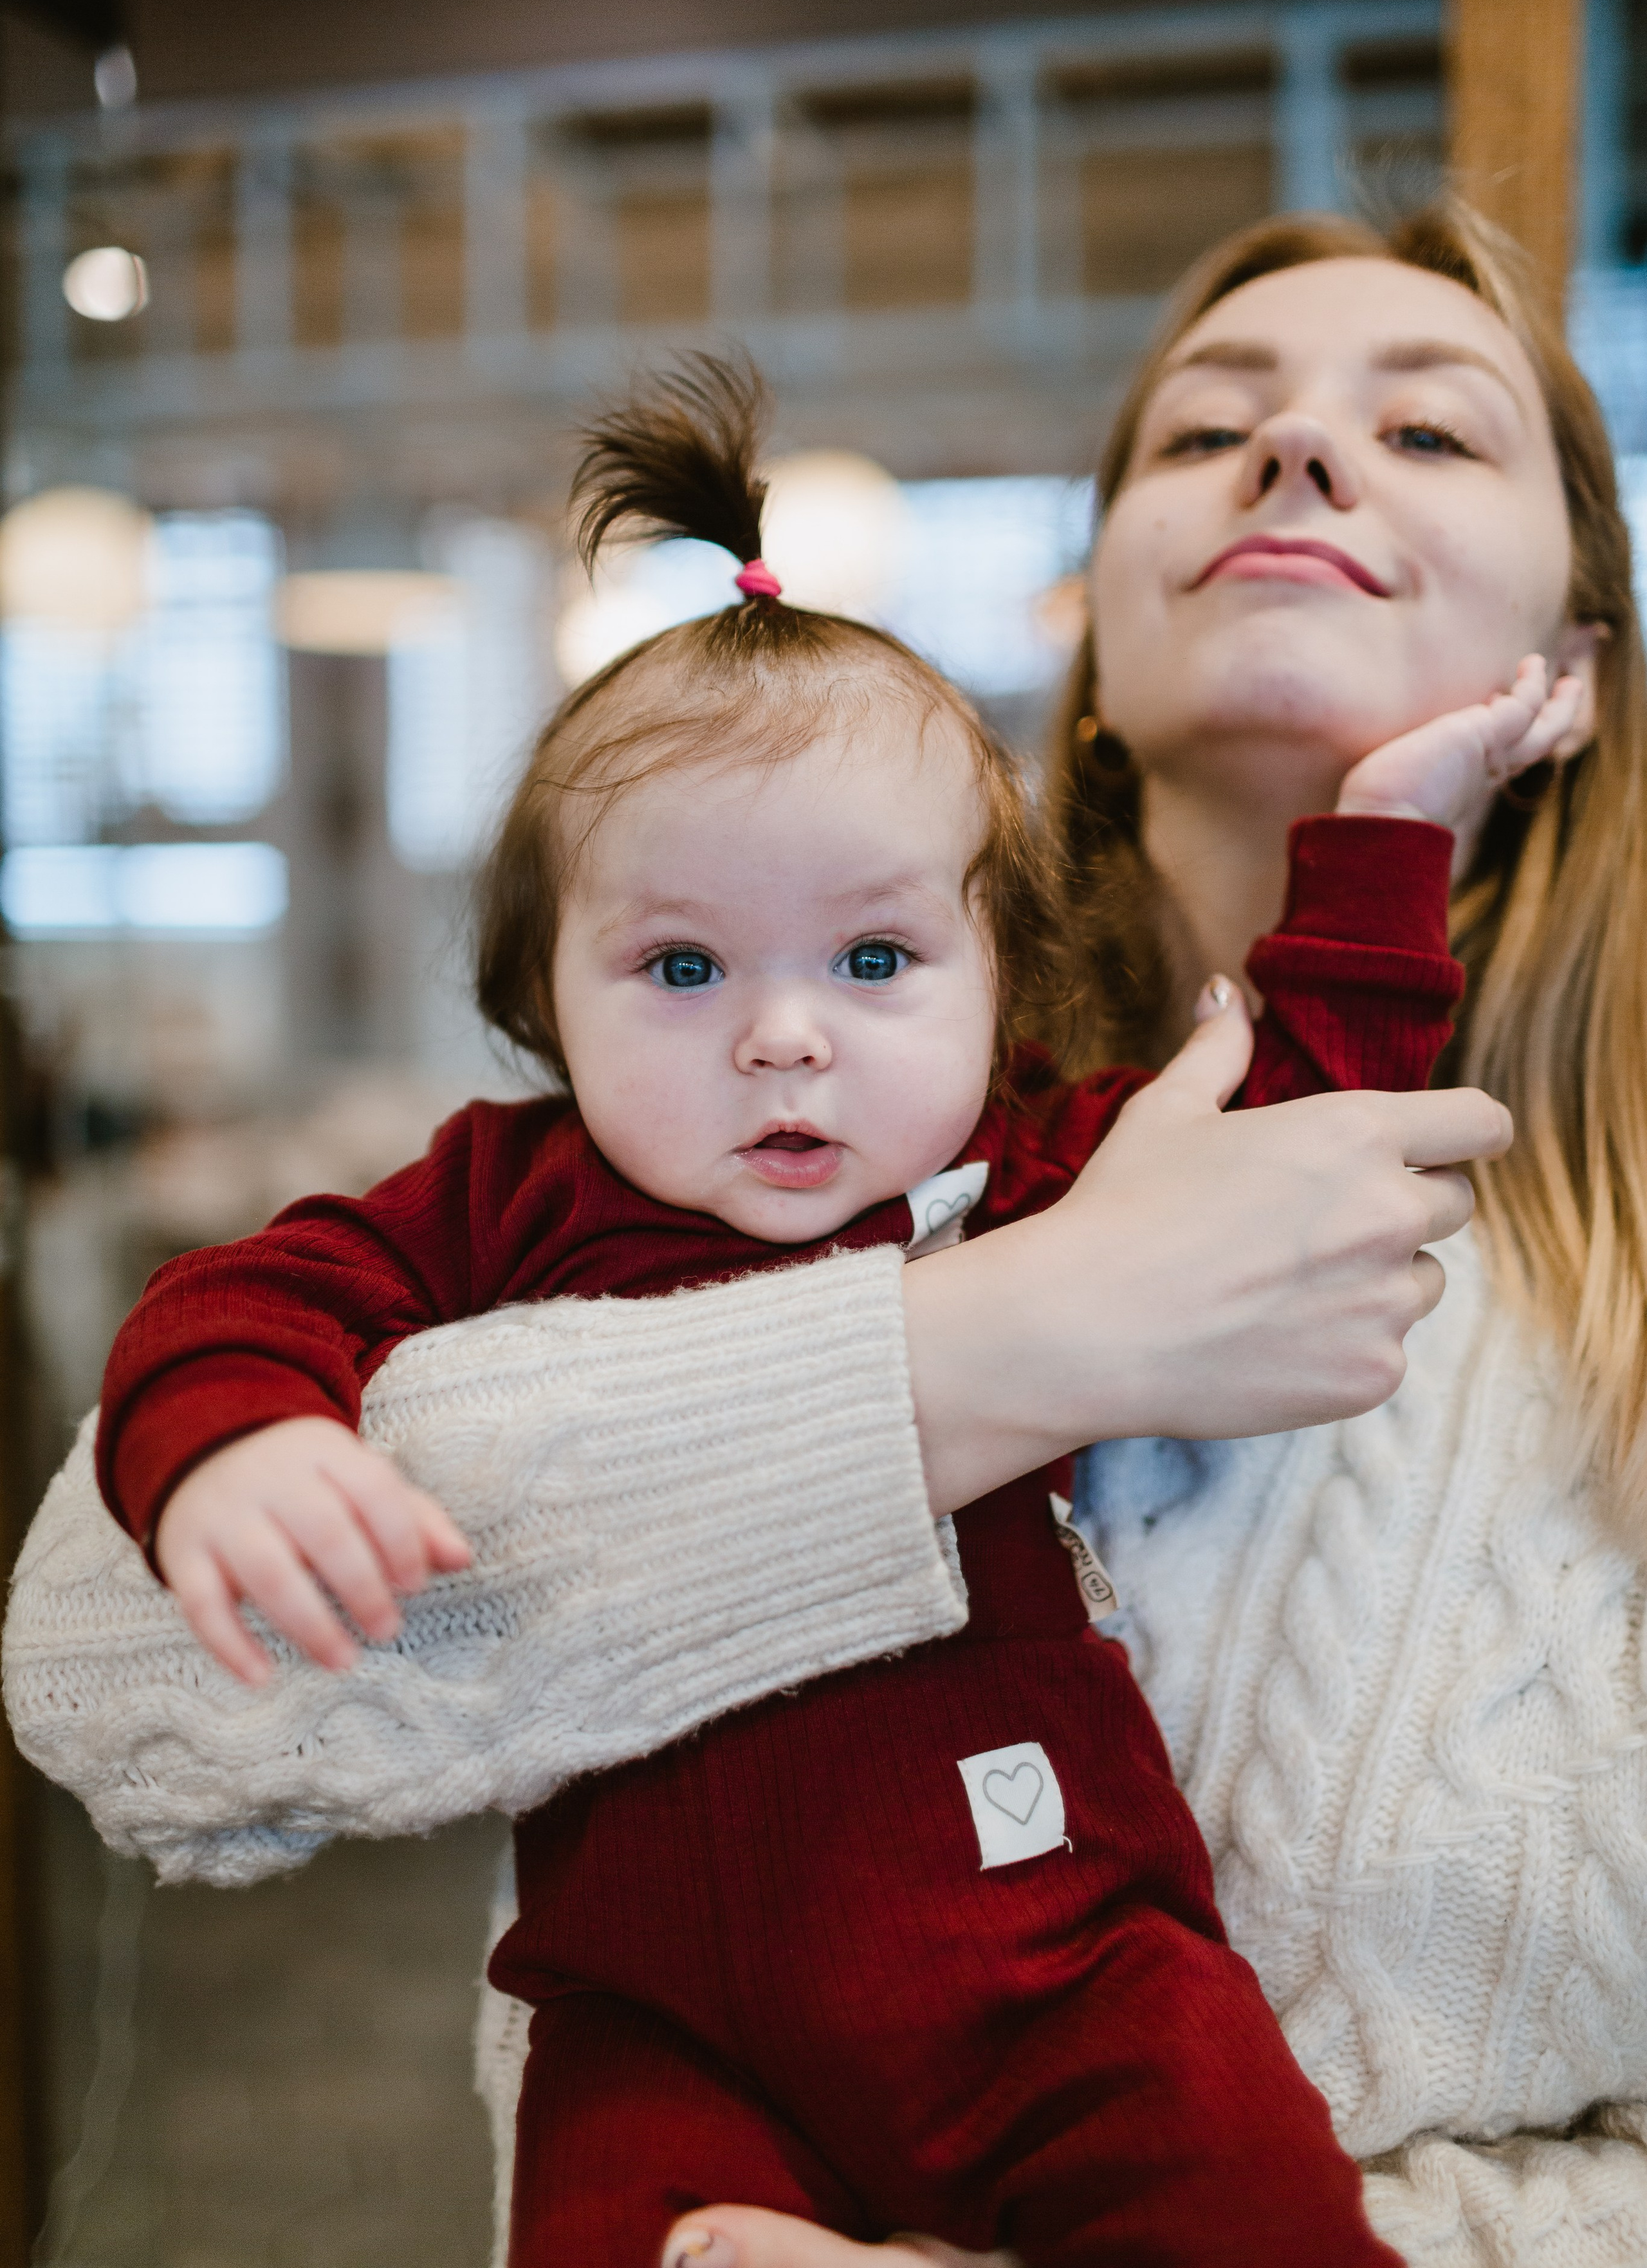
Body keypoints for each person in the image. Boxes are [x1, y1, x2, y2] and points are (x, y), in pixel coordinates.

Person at [67, 351, 1567, 2265]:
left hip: (1070, 1978)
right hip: (656, 2017)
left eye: (874, 955)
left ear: (994, 979)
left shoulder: (1025, 1166)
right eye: (681, 965)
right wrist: (241, 1446)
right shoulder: (511, 1192)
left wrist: (1392, 836)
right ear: (547, 999)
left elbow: (1322, 1139)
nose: (785, 1035)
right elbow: (246, 1294)